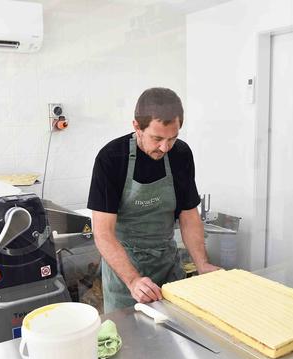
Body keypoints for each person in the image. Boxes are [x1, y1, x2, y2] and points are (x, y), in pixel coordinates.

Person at [87, 87, 219, 313]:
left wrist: (202, 264)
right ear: (137, 126)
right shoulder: (111, 158)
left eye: (172, 138)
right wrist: (133, 280)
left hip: (168, 265)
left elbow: (188, 215)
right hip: (125, 274)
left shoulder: (181, 154)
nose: (165, 147)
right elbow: (103, 233)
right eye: (157, 138)